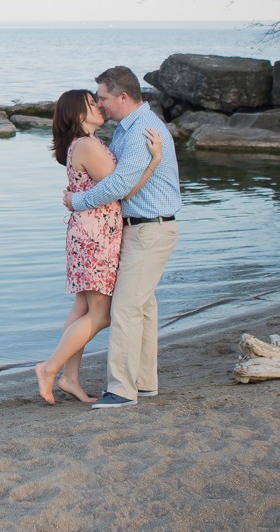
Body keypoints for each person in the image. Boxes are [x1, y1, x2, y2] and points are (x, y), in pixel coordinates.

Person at [64, 65, 181, 409]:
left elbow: (118, 186)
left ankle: (121, 390)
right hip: (139, 227)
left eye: (102, 98)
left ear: (123, 97)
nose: (100, 105)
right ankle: (143, 383)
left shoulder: (142, 129)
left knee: (127, 309)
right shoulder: (127, 129)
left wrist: (77, 202)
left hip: (150, 227)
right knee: (142, 308)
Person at [35, 89, 162, 404]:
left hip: (87, 232)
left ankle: (70, 377)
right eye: (93, 104)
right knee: (102, 314)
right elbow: (122, 189)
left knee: (82, 308)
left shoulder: (83, 144)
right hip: (96, 237)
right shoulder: (88, 145)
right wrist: (153, 162)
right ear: (79, 113)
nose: (100, 106)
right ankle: (49, 368)